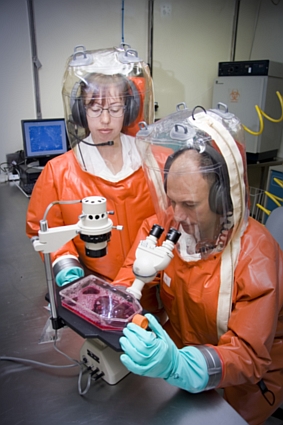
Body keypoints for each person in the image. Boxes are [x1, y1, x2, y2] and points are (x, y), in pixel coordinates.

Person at [114, 106, 283, 425]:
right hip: (176, 372)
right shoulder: (163, 228)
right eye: (171, 200)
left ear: (222, 199)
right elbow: (130, 290)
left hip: (242, 388)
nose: (176, 215)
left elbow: (248, 354)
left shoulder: (256, 253)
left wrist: (179, 366)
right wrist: (132, 296)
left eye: (189, 204)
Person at [26, 46, 169, 314]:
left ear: (129, 109)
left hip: (152, 289)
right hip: (92, 295)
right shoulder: (59, 171)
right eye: (95, 108)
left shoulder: (156, 162)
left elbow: (173, 221)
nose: (105, 119)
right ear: (81, 113)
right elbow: (42, 229)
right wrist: (66, 266)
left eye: (115, 109)